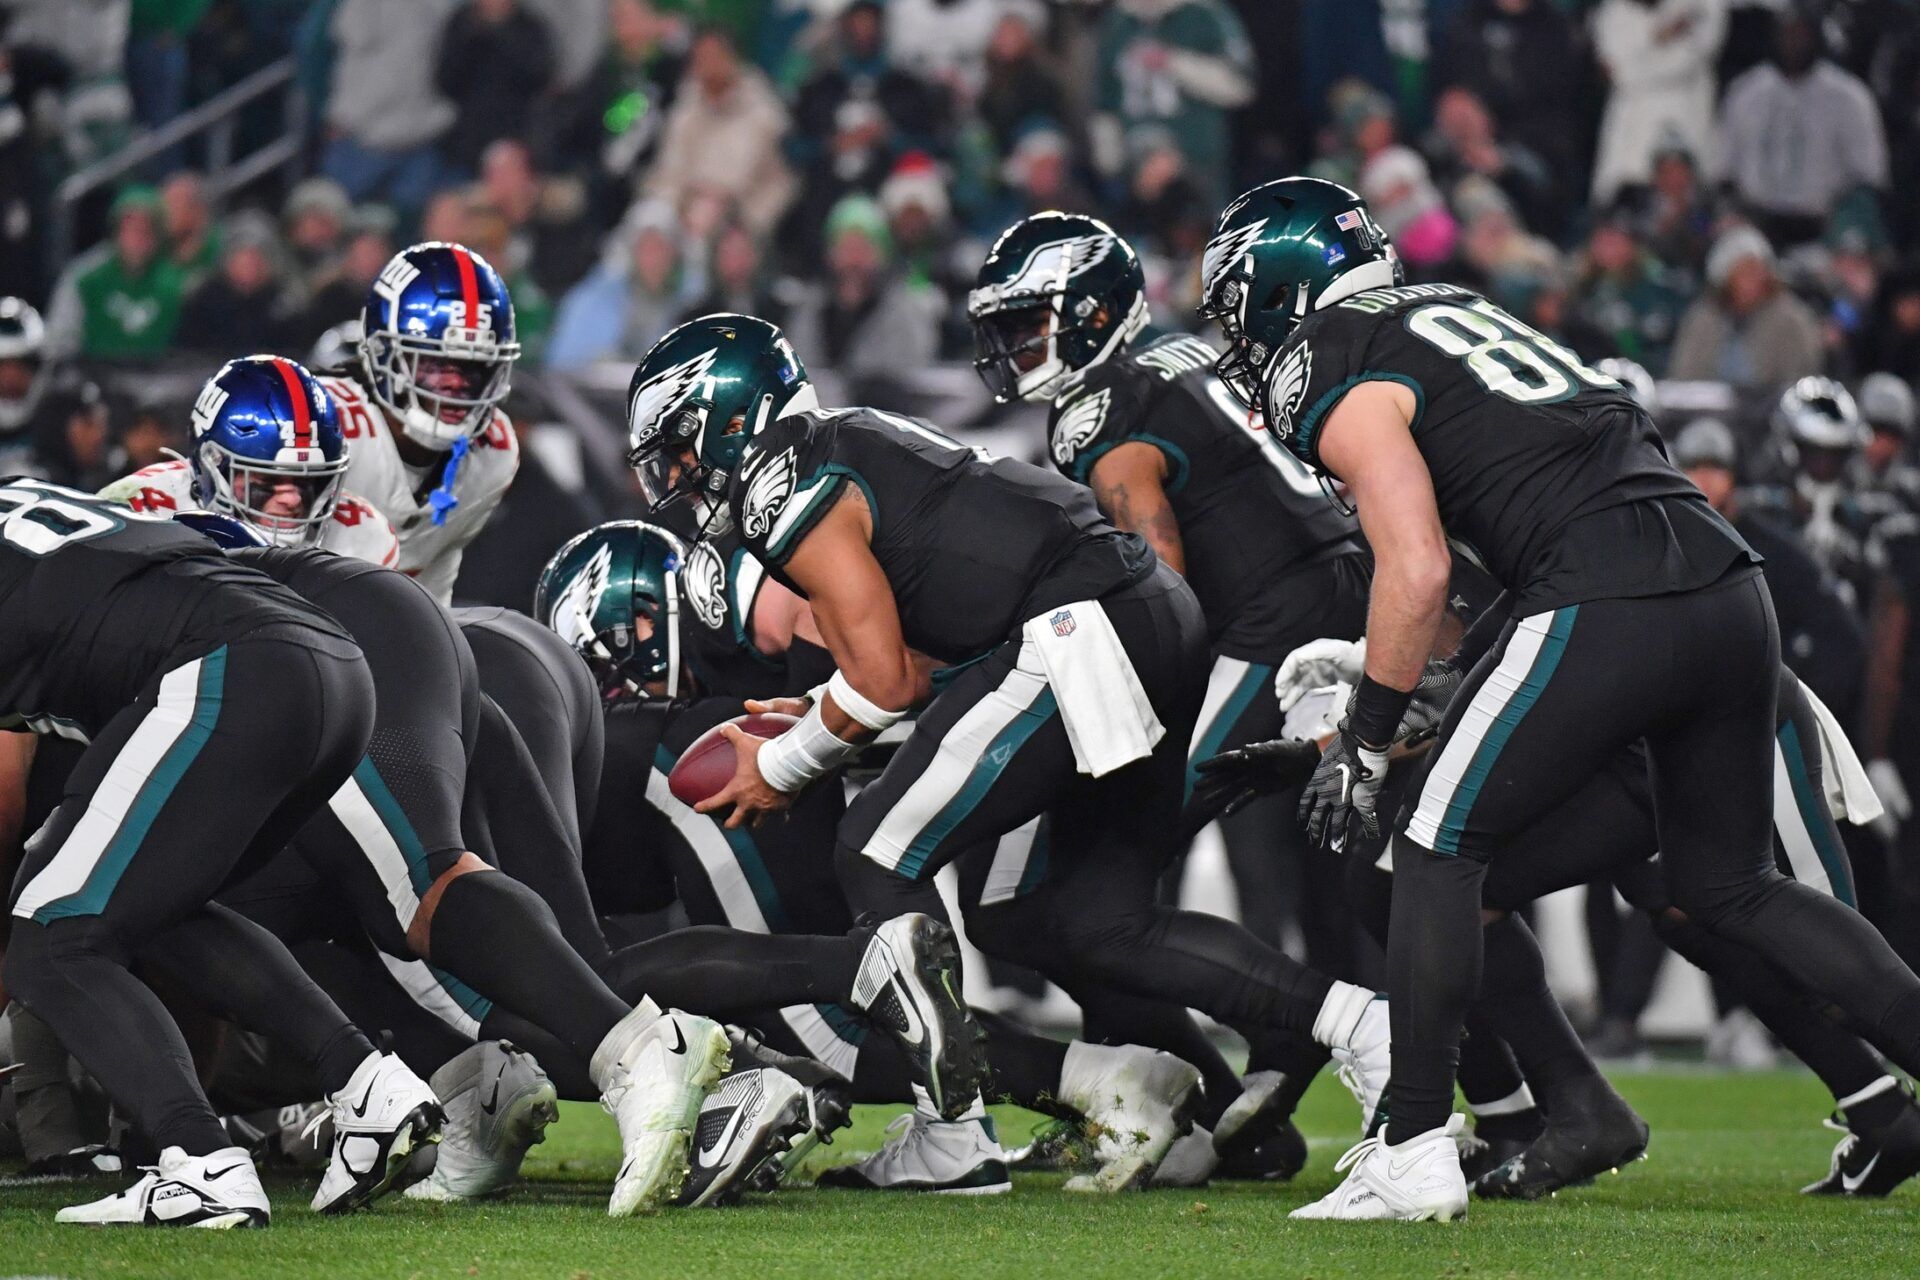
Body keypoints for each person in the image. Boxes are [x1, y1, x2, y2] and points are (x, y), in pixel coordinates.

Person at [1197, 176, 1920, 1221]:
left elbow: (1418, 569)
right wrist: (1353, 740)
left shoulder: (1330, 355)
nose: (1236, 333)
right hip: (1725, 586)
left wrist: (1358, 744)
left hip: (1607, 590)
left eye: (1235, 304)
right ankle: (1599, 1102)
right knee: (1731, 886)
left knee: (1431, 847)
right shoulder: (1454, 308)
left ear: (1282, 284)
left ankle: (1411, 1145)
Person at [624, 313, 1399, 1131]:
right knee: (1102, 920)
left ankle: (954, 1136)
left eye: (679, 446)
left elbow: (885, 683)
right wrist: (819, 712)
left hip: (1080, 626)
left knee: (876, 850)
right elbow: (911, 666)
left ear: (731, 416)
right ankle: (1362, 1026)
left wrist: (783, 765)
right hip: (1139, 619)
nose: (676, 474)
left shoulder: (785, 473)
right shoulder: (839, 444)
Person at [967, 211, 1373, 1141]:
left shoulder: (1101, 406)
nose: (1016, 345)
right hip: (1341, 595)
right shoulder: (1192, 358)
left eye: (1032, 321)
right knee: (1351, 873)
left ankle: (1289, 1033)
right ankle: (1185, 1088)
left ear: (1094, 309)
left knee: (1094, 892)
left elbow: (1158, 584)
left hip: (1272, 621)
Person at [0, 480, 437, 1227]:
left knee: (52, 935)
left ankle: (199, 1160)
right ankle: (367, 1082)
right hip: (327, 661)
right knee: (149, 905)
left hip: (228, 667)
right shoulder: (27, 506)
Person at [315, 242, 522, 605]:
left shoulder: (495, 452)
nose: (455, 386)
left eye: (474, 370)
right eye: (434, 367)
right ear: (384, 355)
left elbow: (432, 579)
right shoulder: (322, 422)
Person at [97, 356, 398, 566]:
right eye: (267, 481)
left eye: (308, 481)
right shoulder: (141, 510)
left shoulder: (362, 535)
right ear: (212, 467)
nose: (293, 499)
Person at [1718, 5, 1887, 249]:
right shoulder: (1745, 91)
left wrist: (1844, 224)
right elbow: (1724, 171)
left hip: (1823, 227)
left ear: (1816, 37)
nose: (1792, 42)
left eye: (1800, 34)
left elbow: (1868, 177)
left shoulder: (1849, 96)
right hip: (1755, 225)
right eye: (1785, 33)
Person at [1667, 223, 1823, 392]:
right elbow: (1683, 375)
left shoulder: (1791, 319)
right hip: (1707, 409)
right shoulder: (1704, 318)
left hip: (1770, 410)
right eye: (1744, 271)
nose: (1753, 278)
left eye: (1758, 270)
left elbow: (1800, 378)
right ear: (1726, 278)